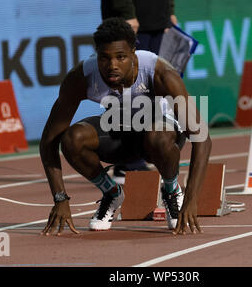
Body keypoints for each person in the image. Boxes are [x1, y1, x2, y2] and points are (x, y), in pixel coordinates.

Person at [40, 17, 211, 236]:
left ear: (133, 52)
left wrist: (191, 200)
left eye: (120, 57)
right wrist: (60, 198)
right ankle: (111, 193)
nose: (112, 66)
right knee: (73, 139)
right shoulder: (81, 78)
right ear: (97, 55)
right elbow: (48, 142)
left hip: (160, 138)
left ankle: (171, 191)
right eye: (105, 58)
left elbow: (202, 137)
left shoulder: (160, 73)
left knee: (156, 136)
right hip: (119, 136)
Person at [95, 0, 178, 182]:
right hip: (132, 21)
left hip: (155, 19)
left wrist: (168, 9)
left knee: (149, 93)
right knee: (125, 90)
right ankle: (126, 162)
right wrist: (126, 12)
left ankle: (142, 153)